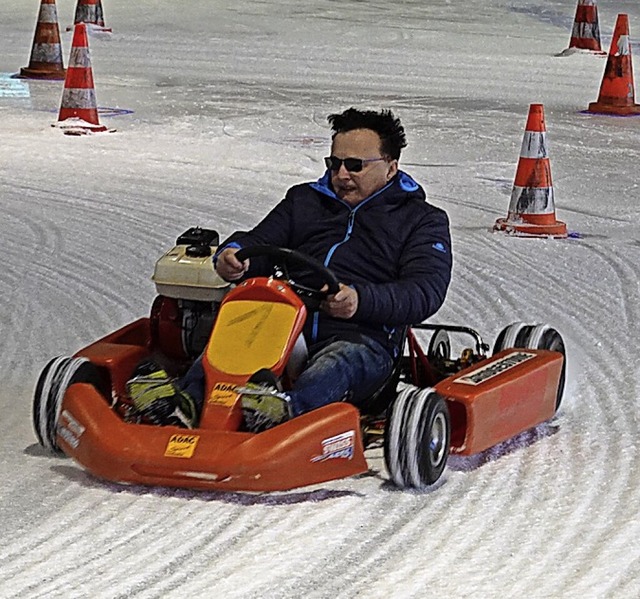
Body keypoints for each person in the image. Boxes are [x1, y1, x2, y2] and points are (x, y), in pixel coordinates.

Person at [127, 107, 452, 433]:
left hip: (361, 335)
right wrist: (236, 256)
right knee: (234, 342)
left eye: (355, 166)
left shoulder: (422, 220)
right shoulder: (305, 201)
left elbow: (425, 290)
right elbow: (261, 241)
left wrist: (360, 299)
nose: (341, 175)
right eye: (334, 163)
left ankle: (285, 414)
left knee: (337, 362)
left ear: (391, 168)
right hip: (282, 324)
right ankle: (187, 404)